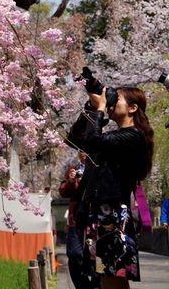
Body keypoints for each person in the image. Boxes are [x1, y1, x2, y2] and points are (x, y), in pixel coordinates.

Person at [66, 87, 154, 289]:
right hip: (101, 213)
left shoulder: (133, 136)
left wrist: (102, 108)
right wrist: (90, 107)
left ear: (132, 108)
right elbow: (75, 139)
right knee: (109, 278)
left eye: (118, 99)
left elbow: (94, 140)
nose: (113, 102)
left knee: (113, 278)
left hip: (113, 215)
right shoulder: (115, 138)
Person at [59, 151, 100, 289]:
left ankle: (96, 285)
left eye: (87, 150)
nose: (83, 153)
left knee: (96, 256)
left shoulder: (100, 167)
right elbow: (63, 191)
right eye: (80, 150)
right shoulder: (74, 169)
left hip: (96, 218)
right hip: (76, 218)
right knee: (74, 254)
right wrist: (71, 181)